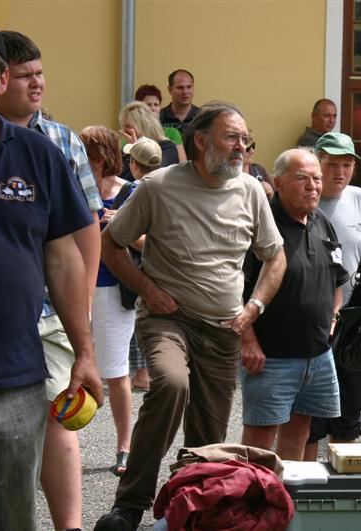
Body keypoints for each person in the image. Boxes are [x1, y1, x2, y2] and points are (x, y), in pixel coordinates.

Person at [94, 102, 286, 530]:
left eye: (245, 139)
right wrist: (147, 289)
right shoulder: (158, 187)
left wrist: (253, 309)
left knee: (209, 434)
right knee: (171, 383)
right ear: (200, 141)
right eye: (232, 137)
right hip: (169, 318)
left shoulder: (252, 191)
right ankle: (130, 504)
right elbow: (111, 242)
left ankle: (192, 504)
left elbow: (275, 258)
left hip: (223, 330)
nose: (242, 147)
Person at [0, 25, 103, 529]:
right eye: (27, 74)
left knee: (12, 511)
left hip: (13, 368)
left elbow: (68, 254)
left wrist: (84, 346)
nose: (36, 83)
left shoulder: (43, 152)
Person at [240, 148, 347, 461]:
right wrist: (247, 340)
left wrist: (333, 315)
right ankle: (252, 505)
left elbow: (336, 279)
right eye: (302, 178)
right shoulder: (261, 224)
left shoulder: (322, 221)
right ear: (279, 182)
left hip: (317, 355)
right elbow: (235, 290)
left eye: (316, 178)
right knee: (259, 442)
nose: (312, 185)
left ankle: (289, 504)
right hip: (270, 356)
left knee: (301, 430)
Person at [304, 132, 361, 460]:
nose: (339, 172)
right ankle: (304, 488)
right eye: (331, 165)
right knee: (310, 413)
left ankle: (340, 485)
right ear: (317, 163)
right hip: (311, 320)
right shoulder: (302, 199)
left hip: (356, 322)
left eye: (346, 165)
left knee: (350, 406)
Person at [80, 126, 137, 478]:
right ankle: (62, 444)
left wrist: (121, 226)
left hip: (113, 289)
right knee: (64, 366)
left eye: (82, 152)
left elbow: (151, 242)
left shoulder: (130, 193)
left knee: (116, 372)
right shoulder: (75, 188)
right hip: (75, 287)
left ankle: (124, 446)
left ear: (99, 158)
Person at [121, 137, 162, 392]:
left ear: (134, 164)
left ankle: (142, 374)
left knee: (137, 318)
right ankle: (148, 372)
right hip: (162, 268)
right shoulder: (167, 188)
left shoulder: (133, 190)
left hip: (139, 265)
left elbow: (131, 236)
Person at [118, 101, 184, 176]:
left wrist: (136, 149)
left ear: (143, 126)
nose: (123, 131)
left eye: (127, 126)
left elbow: (151, 175)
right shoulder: (126, 151)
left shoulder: (166, 147)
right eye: (122, 126)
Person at [158, 69, 199, 135]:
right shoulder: (158, 118)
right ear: (170, 90)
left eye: (189, 87)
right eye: (180, 88)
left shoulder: (202, 117)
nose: (185, 92)